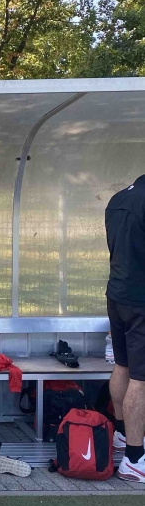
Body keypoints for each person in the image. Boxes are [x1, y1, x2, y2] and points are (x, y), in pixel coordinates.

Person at [105, 177, 145, 481]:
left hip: (117, 294)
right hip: (141, 301)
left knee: (122, 365)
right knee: (141, 380)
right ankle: (134, 458)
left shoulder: (117, 199)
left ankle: (120, 434)